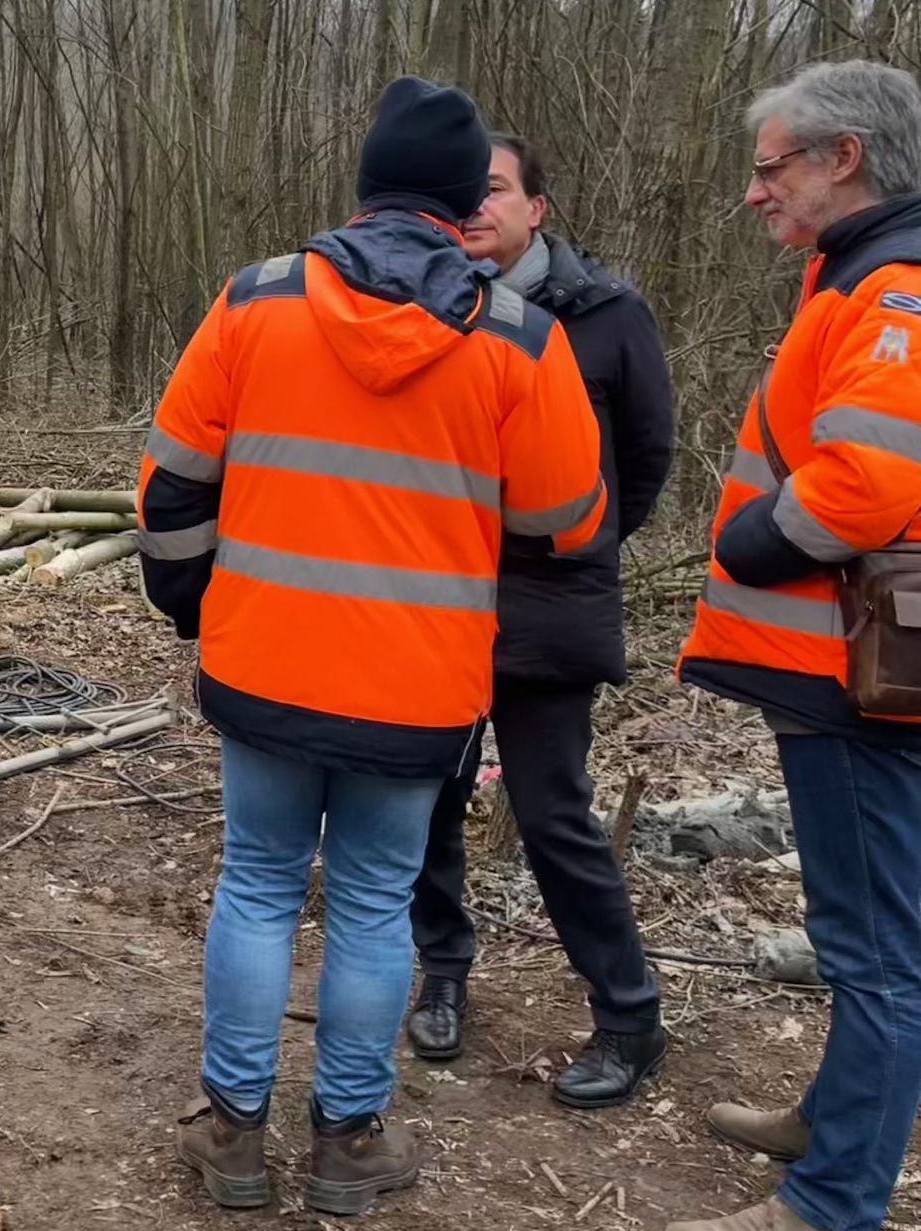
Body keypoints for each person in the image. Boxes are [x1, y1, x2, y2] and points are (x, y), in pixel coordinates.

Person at [140, 77, 607, 1216]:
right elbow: (570, 518)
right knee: (369, 900)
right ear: (460, 203)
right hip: (416, 689)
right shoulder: (519, 337)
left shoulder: (252, 303)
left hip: (261, 665)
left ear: (364, 188)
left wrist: (193, 602)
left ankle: (235, 1137)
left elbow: (168, 487)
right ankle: (346, 1145)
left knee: (255, 884)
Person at [670, 60, 921, 1231]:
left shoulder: (892, 290)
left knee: (874, 948)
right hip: (841, 672)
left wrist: (757, 542)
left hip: (860, 680)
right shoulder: (858, 278)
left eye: (769, 167)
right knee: (857, 926)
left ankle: (829, 1203)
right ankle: (833, 1120)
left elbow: (867, 479)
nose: (752, 193)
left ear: (843, 158)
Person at [404, 134, 677, 1106]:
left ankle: (627, 1014)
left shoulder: (604, 316)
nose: (473, 207)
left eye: (492, 190)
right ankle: (440, 972)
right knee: (427, 794)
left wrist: (581, 544)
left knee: (553, 810)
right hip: (436, 602)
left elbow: (643, 459)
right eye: (460, 192)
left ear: (536, 210)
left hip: (548, 611)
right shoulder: (428, 308)